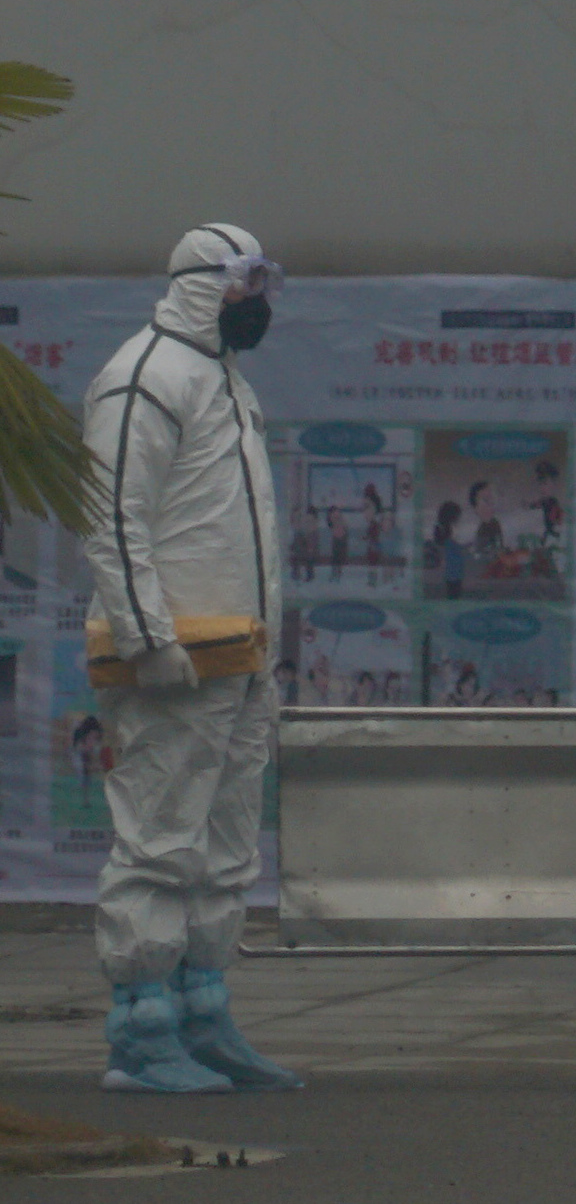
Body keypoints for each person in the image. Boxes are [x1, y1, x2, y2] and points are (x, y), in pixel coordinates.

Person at [79, 224, 302, 1094]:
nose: (260, 300)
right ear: (205, 283)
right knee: (158, 840)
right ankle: (140, 1028)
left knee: (223, 844)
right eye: (247, 283)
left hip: (237, 658)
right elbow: (114, 517)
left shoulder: (221, 379)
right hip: (172, 660)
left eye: (264, 282)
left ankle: (202, 1010)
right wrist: (147, 637)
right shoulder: (146, 377)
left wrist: (261, 658)